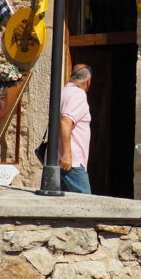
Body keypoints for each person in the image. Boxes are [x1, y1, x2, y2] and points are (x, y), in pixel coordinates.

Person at [58, 64, 92, 194]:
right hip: (72, 162)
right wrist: (67, 154)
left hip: (59, 159)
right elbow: (66, 121)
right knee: (85, 202)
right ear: (88, 81)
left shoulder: (63, 91)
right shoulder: (78, 94)